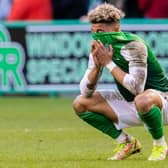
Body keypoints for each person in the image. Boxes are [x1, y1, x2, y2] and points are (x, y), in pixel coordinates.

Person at [73, 3, 168, 161]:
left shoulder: (134, 45)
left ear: (116, 29)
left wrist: (109, 64)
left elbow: (137, 88)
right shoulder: (100, 49)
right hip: (133, 102)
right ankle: (126, 142)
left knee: (142, 99)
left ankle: (160, 145)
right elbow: (85, 91)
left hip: (161, 102)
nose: (96, 36)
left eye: (100, 31)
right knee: (80, 103)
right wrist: (97, 68)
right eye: (93, 32)